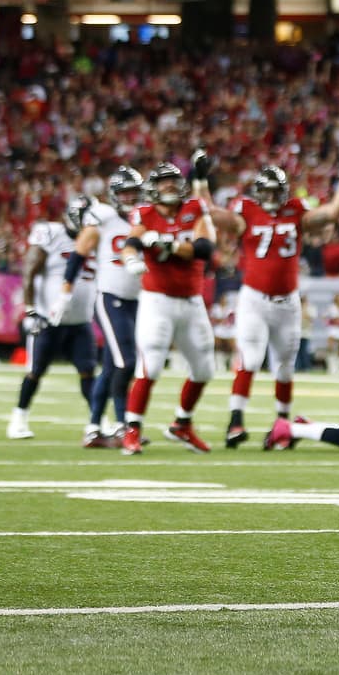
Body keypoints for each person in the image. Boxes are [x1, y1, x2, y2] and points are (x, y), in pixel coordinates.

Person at [202, 153, 339, 447]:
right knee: (249, 359)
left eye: (276, 191)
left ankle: (282, 426)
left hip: (287, 302)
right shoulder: (246, 211)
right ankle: (235, 422)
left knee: (285, 366)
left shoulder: (296, 211)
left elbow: (333, 212)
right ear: (259, 192)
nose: (272, 197)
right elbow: (209, 212)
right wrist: (199, 180)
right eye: (267, 191)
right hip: (254, 299)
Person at [119, 161, 217, 455]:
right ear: (153, 187)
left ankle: (182, 424)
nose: (170, 185)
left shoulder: (195, 208)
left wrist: (167, 244)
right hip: (157, 300)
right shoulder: (145, 213)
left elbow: (204, 248)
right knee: (150, 365)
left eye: (173, 179)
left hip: (191, 300)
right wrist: (131, 259)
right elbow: (132, 242)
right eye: (163, 181)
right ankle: (132, 430)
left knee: (204, 368)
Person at [59, 166, 146, 448]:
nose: (130, 197)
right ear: (114, 194)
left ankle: (94, 428)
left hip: (139, 300)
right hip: (111, 297)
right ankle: (122, 425)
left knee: (111, 366)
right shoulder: (103, 216)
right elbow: (79, 253)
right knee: (126, 362)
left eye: (134, 192)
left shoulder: (146, 217)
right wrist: (65, 291)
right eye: (125, 192)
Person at [6, 196, 100, 442]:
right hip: (48, 320)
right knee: (35, 371)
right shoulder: (51, 233)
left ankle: (97, 420)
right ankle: (19, 418)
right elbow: (30, 270)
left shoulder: (97, 239)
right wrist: (30, 310)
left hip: (80, 321)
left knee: (88, 372)